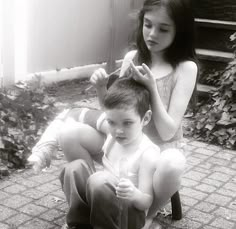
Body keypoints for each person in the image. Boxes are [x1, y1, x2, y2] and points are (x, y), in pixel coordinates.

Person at [28, 0, 198, 228]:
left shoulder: (185, 68)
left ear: (180, 31)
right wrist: (101, 88)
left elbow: (168, 132)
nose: (152, 34)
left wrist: (152, 88)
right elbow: (115, 109)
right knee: (69, 133)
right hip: (123, 137)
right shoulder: (133, 57)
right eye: (148, 24)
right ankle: (92, 200)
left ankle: (146, 215)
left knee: (174, 162)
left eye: (164, 29)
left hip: (158, 150)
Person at [60, 77, 160, 229]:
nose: (118, 131)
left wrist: (133, 193)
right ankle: (79, 223)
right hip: (103, 207)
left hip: (129, 216)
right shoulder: (112, 138)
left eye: (127, 123)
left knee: (99, 180)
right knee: (73, 168)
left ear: (145, 119)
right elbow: (77, 117)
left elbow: (146, 201)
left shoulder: (147, 153)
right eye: (111, 123)